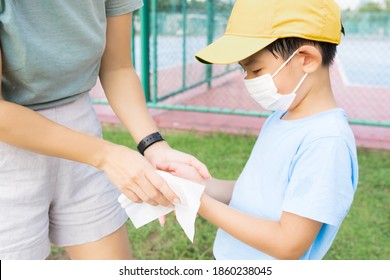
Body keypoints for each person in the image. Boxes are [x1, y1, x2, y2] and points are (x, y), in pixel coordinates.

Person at [0, 0, 209, 260]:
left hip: (80, 121)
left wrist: (154, 145)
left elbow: (117, 67)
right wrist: (106, 156)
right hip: (9, 142)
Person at [171, 0, 359, 260]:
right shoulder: (281, 117)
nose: (248, 79)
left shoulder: (326, 141)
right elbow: (258, 192)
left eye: (256, 69)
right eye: (244, 69)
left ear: (307, 60)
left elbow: (288, 244)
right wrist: (200, 185)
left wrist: (198, 203)